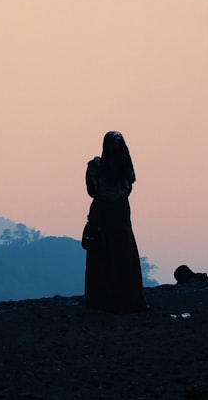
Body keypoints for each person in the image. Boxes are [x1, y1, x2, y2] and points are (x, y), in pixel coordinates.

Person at [83, 131, 149, 311]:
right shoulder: (125, 169)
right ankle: (127, 299)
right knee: (122, 256)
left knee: (104, 256)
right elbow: (127, 190)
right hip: (118, 216)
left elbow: (91, 191)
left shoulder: (95, 168)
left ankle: (103, 301)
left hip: (104, 215)